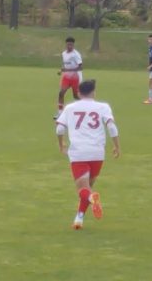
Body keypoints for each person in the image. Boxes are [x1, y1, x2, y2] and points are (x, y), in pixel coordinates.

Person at [55, 79, 120, 230]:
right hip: (98, 153)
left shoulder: (70, 108)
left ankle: (92, 199)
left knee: (83, 190)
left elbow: (59, 129)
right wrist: (117, 146)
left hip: (79, 153)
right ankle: (79, 219)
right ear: (94, 93)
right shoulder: (103, 107)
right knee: (88, 186)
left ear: (78, 93)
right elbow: (111, 127)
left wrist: (61, 144)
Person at [55, 36, 83, 119]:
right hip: (66, 77)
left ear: (73, 45)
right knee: (61, 93)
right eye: (68, 45)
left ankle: (86, 106)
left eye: (71, 45)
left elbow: (80, 67)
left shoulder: (76, 54)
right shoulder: (64, 53)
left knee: (76, 96)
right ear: (66, 44)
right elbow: (65, 64)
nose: (69, 46)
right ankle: (60, 113)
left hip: (75, 78)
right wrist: (61, 70)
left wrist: (67, 70)